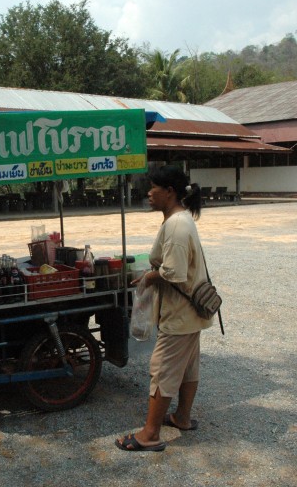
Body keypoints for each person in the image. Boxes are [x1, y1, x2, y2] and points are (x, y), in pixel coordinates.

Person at [115, 165, 213, 452]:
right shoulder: (180, 219)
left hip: (179, 313)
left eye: (153, 187)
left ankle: (150, 434)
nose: (148, 193)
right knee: (188, 366)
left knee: (162, 369)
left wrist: (148, 276)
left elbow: (174, 272)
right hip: (190, 311)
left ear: (169, 192)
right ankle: (182, 417)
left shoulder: (177, 225)